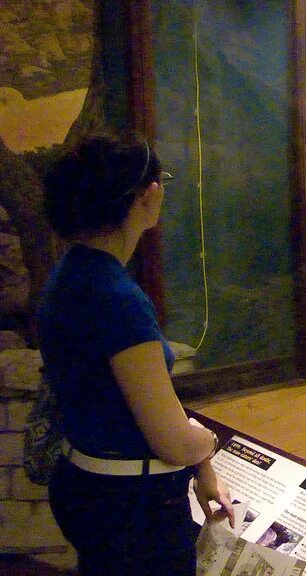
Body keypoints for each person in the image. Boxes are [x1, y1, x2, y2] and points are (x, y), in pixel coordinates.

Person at [37, 132, 234, 575]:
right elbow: (173, 440)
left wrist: (200, 467)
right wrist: (206, 440)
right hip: (131, 511)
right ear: (149, 196)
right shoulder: (117, 299)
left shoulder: (71, 274)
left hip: (83, 486)